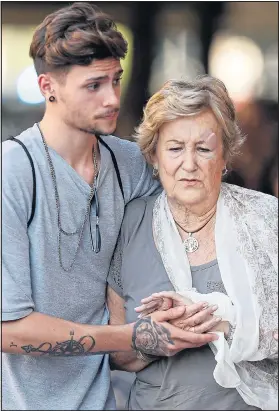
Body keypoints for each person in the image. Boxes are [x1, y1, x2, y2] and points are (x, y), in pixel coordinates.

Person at [2, 4, 218, 411]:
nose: (112, 98)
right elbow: (8, 329)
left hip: (105, 400)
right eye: (94, 85)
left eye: (116, 80)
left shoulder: (131, 163)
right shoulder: (13, 172)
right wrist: (132, 336)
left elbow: (199, 203)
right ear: (49, 87)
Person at [107, 76, 278, 410]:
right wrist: (151, 339)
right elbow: (117, 355)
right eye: (174, 149)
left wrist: (223, 319)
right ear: (153, 156)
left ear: (226, 155)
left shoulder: (266, 218)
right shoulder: (129, 224)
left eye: (203, 149)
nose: (189, 164)